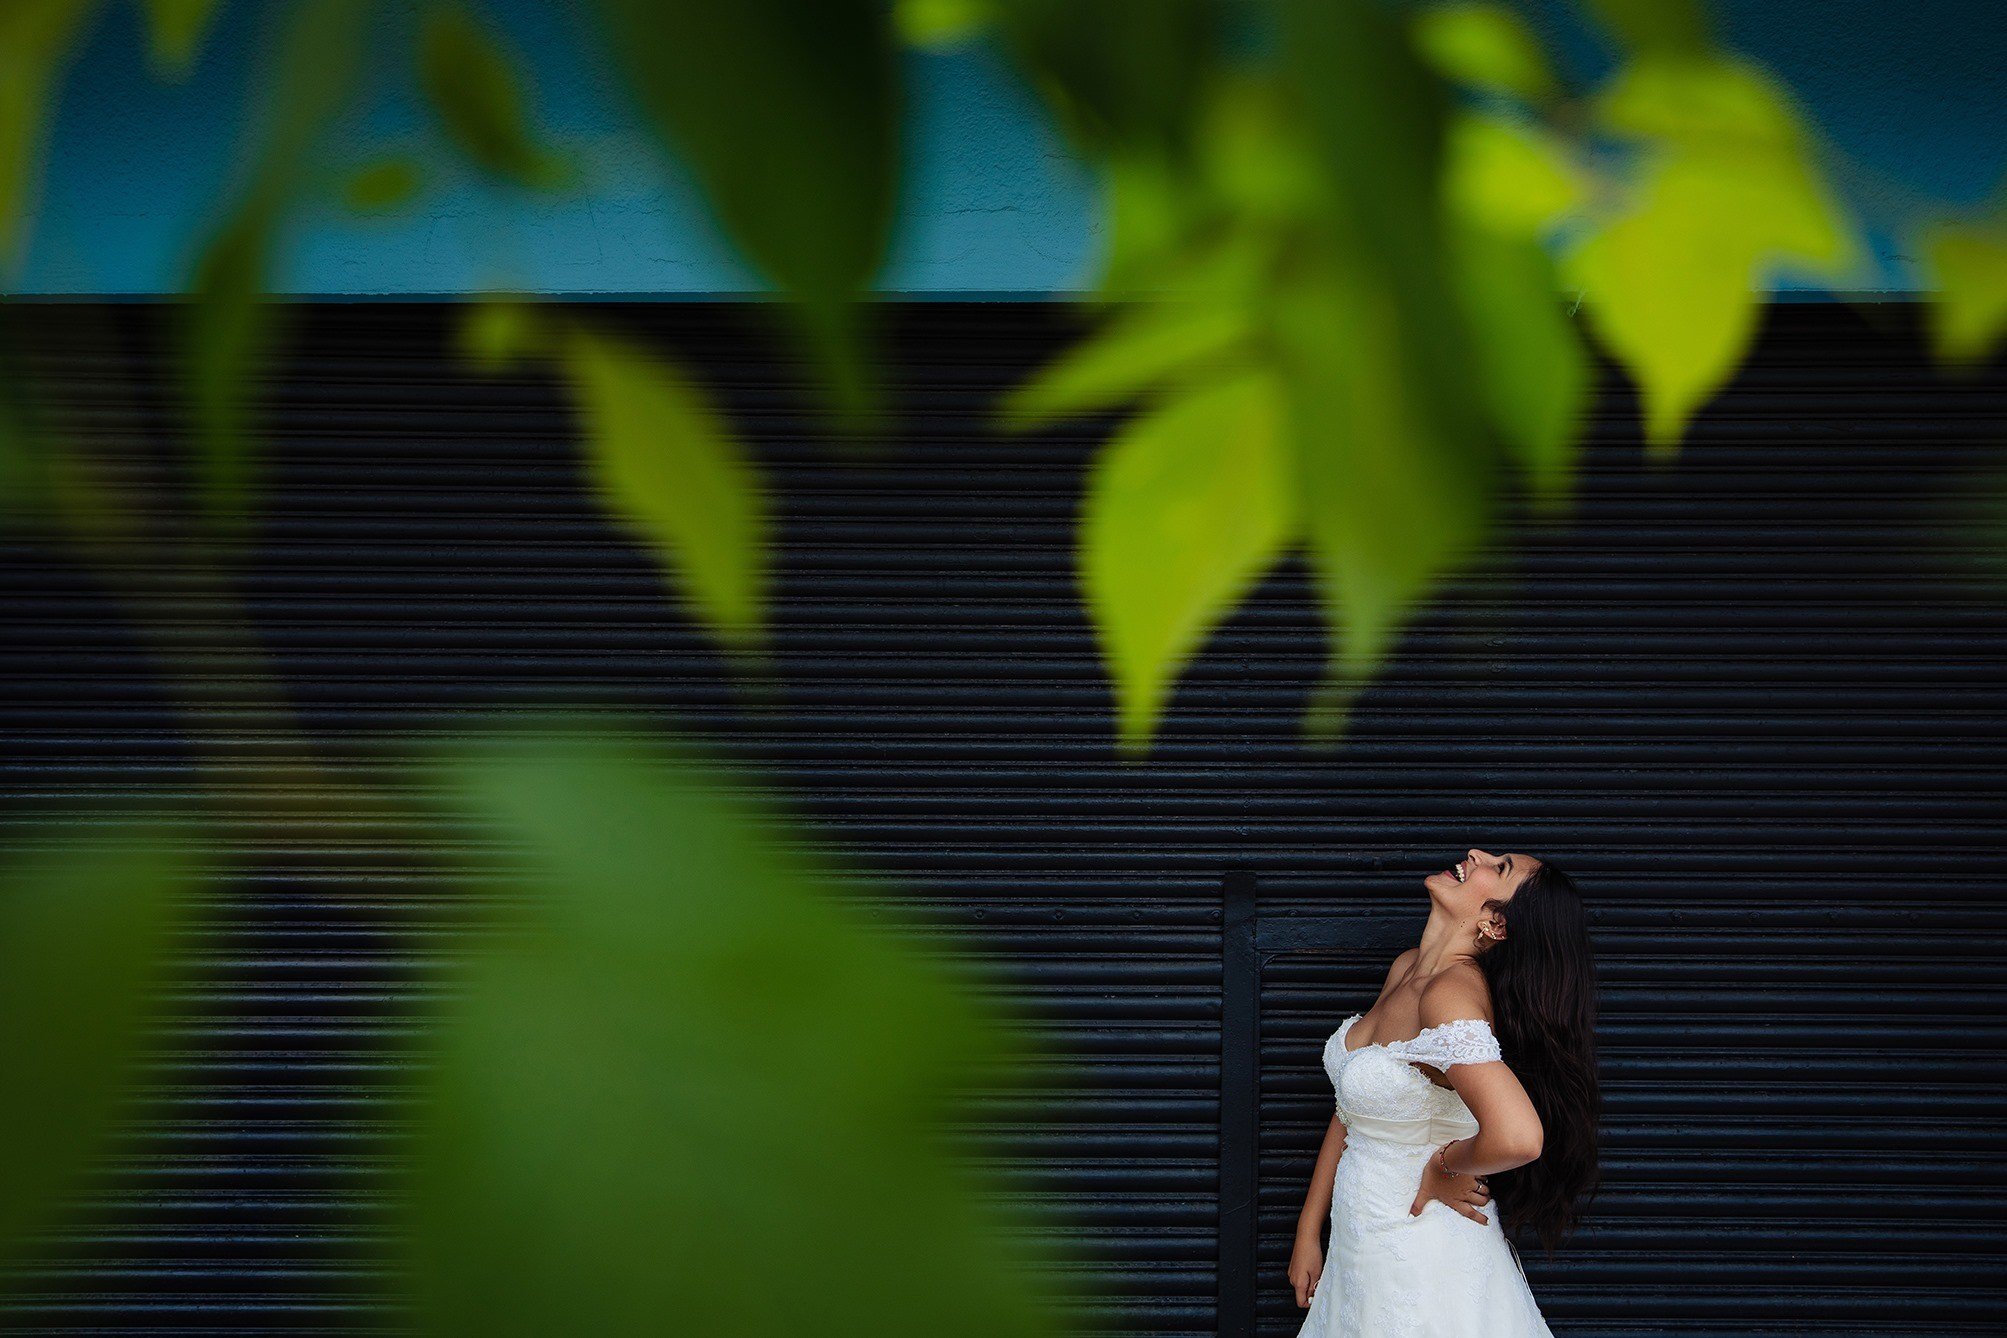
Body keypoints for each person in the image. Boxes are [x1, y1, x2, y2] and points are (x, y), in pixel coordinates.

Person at [1289, 848, 1600, 1336]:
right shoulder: (1407, 969)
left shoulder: (1450, 995)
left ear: (1496, 924)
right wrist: (1309, 1230)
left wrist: (1445, 1168)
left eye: (1499, 867)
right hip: (1363, 1242)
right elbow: (1352, 1107)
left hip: (1421, 1248)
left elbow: (1518, 1136)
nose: (1476, 854)